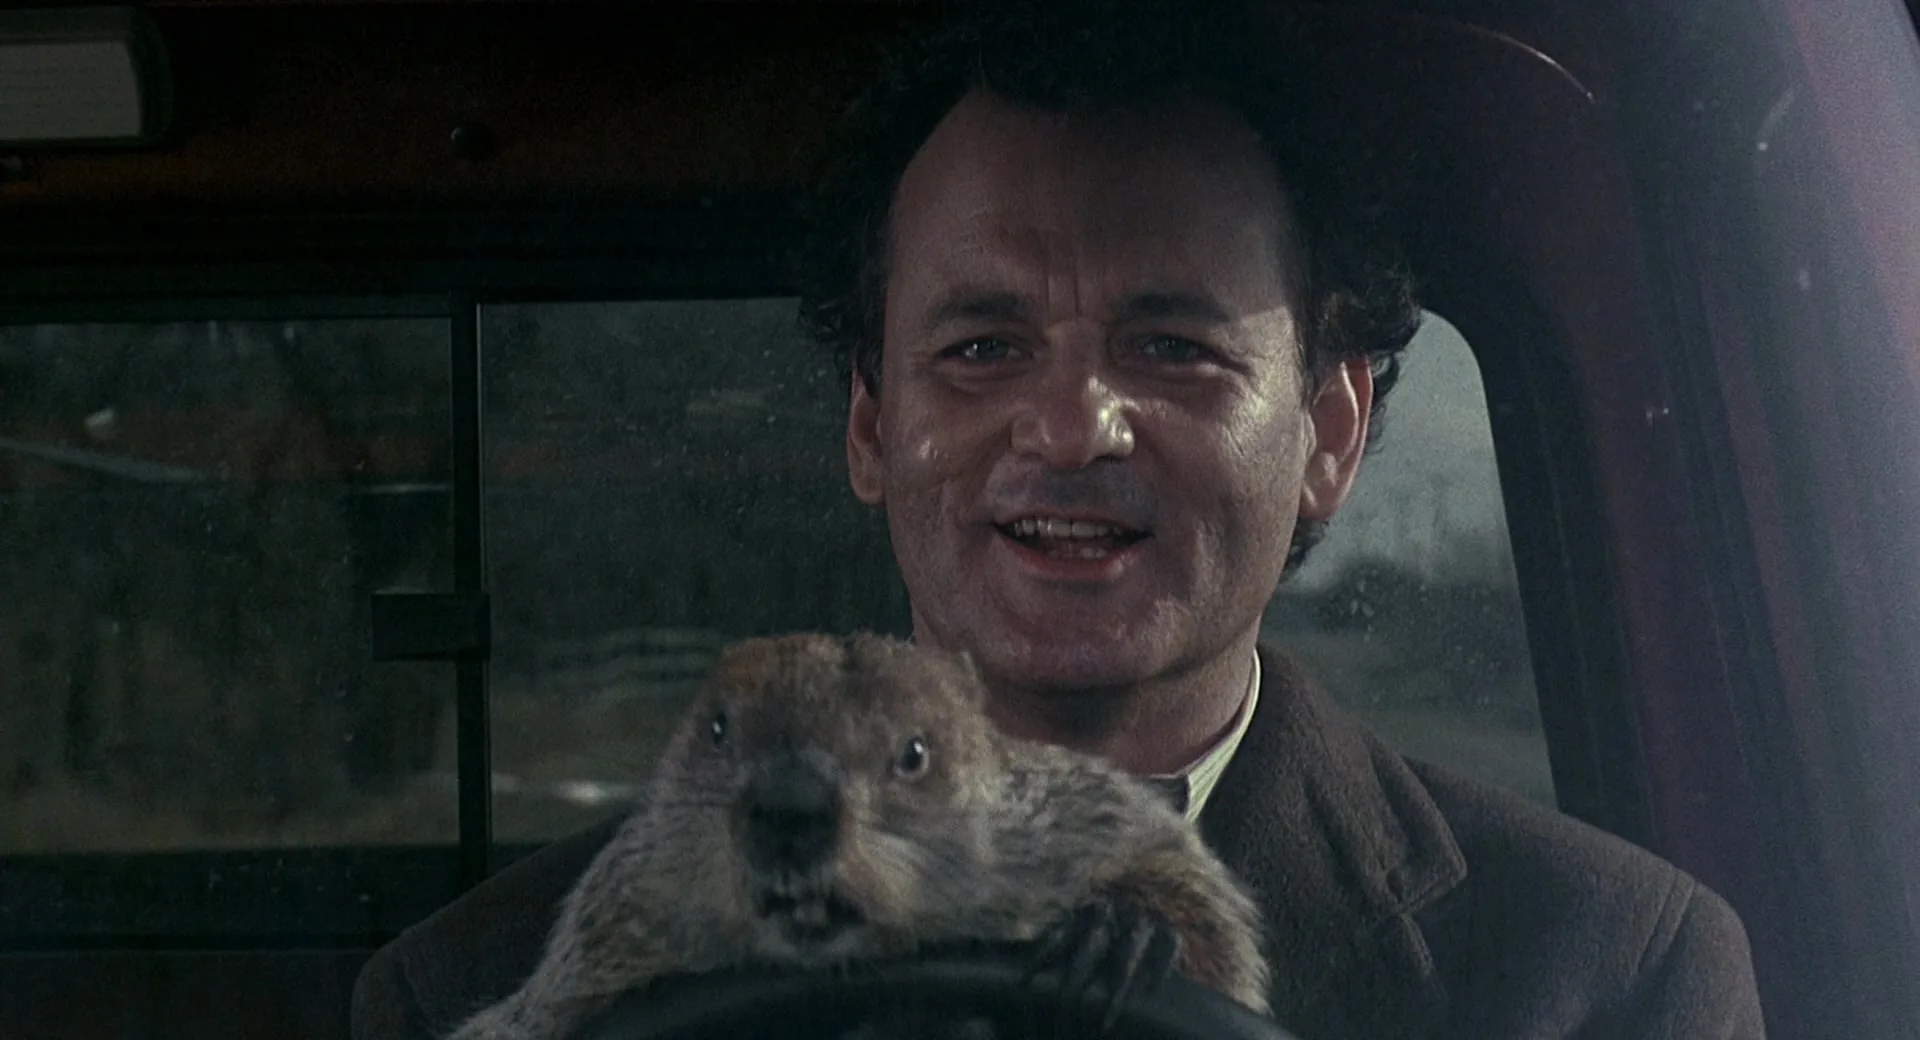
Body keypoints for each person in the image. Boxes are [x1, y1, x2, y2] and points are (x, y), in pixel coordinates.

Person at [351, 1, 1768, 1037]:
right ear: (870, 427)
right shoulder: (473, 987)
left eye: (1173, 348)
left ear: (1330, 432)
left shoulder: (1608, 975)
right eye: (982, 348)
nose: (1072, 426)